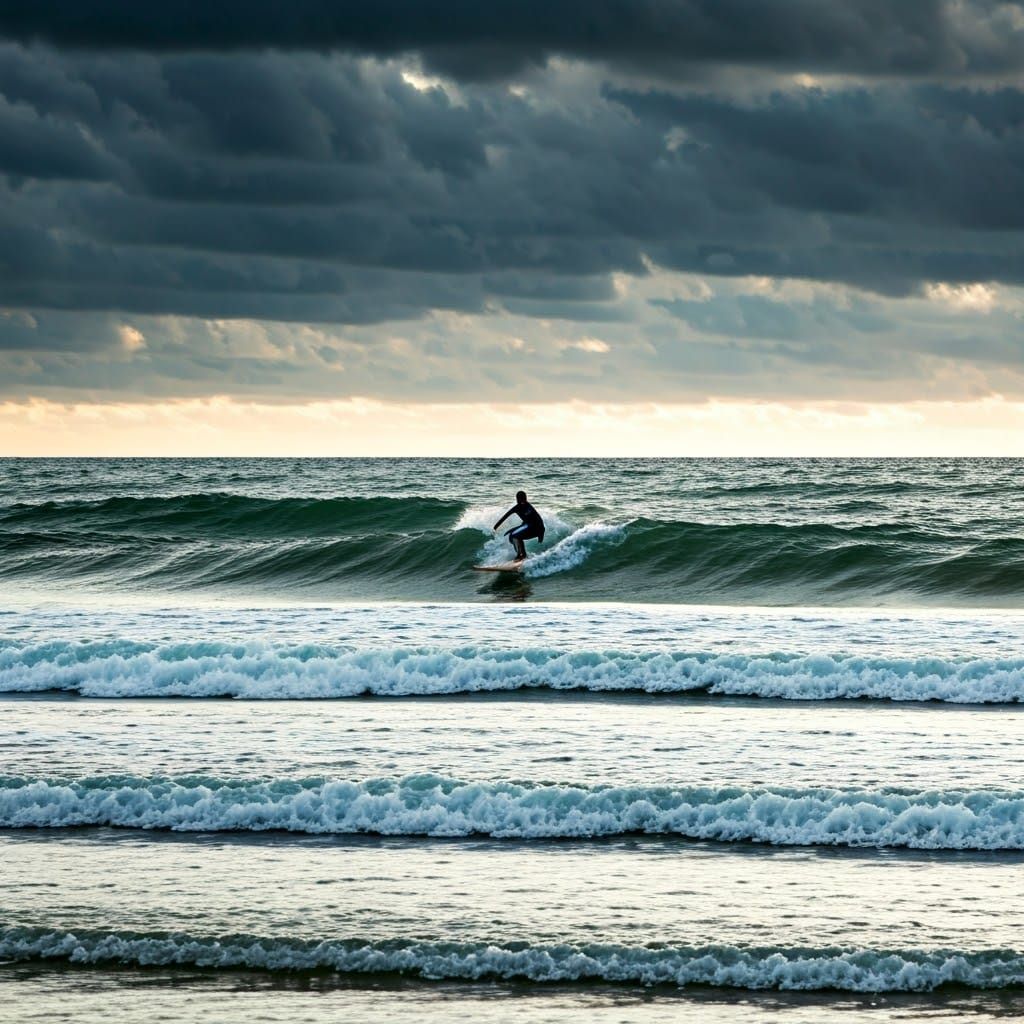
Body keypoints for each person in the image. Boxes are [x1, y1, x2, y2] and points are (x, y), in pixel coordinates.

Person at [493, 490, 545, 562]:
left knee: (514, 535)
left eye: (524, 499)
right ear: (517, 500)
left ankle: (522, 555)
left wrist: (541, 534)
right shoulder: (516, 508)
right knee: (512, 536)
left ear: (526, 498)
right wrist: (495, 527)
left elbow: (539, 520)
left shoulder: (529, 507)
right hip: (530, 527)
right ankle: (521, 554)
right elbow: (504, 517)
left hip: (537, 529)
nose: (523, 501)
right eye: (521, 499)